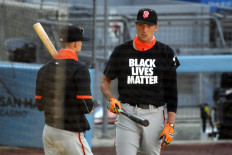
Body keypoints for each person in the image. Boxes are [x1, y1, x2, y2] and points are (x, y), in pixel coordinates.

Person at [101, 8, 180, 155]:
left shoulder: (166, 52)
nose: (144, 29)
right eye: (141, 25)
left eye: (149, 26)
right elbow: (105, 81)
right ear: (136, 25)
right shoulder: (121, 51)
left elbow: (172, 92)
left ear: (156, 26)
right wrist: (111, 99)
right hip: (127, 113)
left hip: (155, 115)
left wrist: (171, 124)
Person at [35, 24, 94, 155]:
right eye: (80, 41)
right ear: (75, 43)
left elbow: (40, 105)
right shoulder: (80, 69)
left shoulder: (43, 69)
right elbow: (86, 106)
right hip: (70, 133)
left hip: (49, 131)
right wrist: (91, 107)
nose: (81, 44)